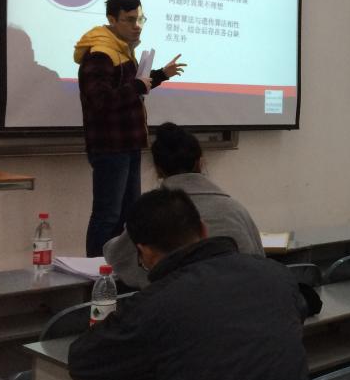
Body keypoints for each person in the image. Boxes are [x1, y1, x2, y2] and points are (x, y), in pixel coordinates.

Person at [69, 188, 306, 380]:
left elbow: (83, 361)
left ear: (145, 253)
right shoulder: (276, 275)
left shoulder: (157, 304)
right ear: (204, 230)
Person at [74, 0, 186, 256]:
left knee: (128, 214)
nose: (137, 26)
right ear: (112, 19)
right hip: (110, 147)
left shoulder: (121, 50)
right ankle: (96, 271)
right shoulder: (100, 54)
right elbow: (100, 100)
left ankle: (119, 268)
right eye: (129, 19)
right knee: (107, 215)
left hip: (128, 144)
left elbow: (131, 88)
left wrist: (160, 75)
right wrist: (136, 85)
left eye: (140, 19)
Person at [104, 122, 263, 288]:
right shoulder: (235, 209)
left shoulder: (150, 212)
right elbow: (259, 260)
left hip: (171, 300)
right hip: (240, 297)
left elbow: (117, 258)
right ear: (199, 163)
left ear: (158, 169)